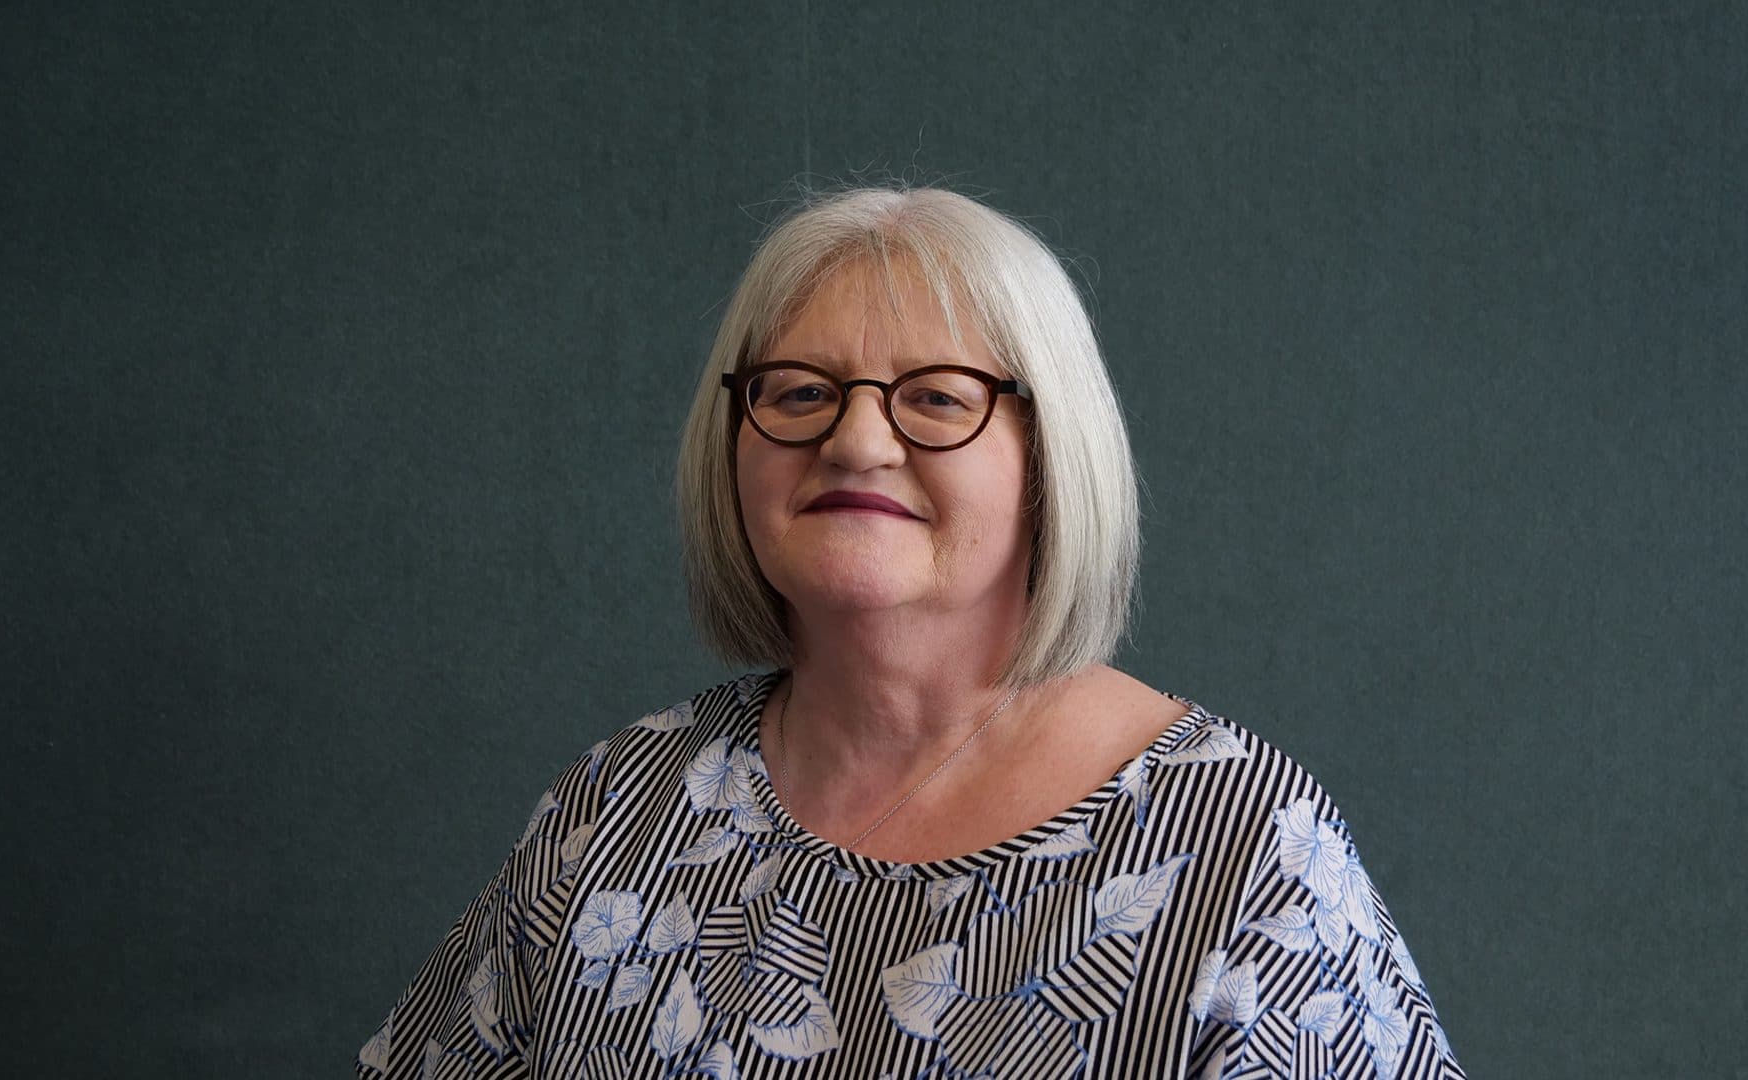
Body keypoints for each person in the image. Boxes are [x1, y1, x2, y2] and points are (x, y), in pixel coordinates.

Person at [358, 186, 1464, 1079]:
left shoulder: (1243, 848)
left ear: (1052, 455)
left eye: (937, 398)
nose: (855, 441)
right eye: (798, 393)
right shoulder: (616, 810)